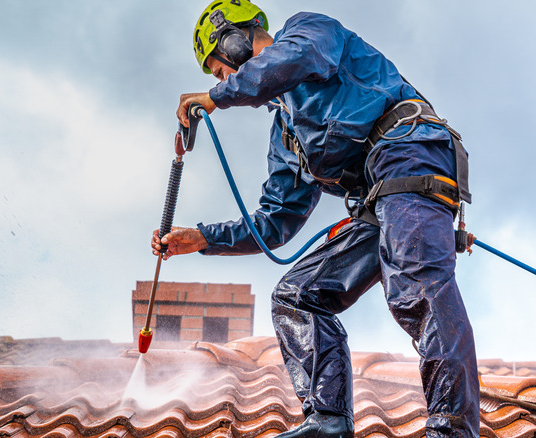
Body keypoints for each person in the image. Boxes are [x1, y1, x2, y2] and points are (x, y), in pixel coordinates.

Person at [151, 1, 480, 437]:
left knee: (415, 285)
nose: (223, 80)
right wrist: (202, 238)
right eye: (216, 79)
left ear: (235, 39)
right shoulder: (287, 134)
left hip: (409, 154)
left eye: (219, 69)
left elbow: (293, 60)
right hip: (375, 200)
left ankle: (452, 428)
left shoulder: (308, 32)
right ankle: (327, 421)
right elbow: (275, 222)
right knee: (296, 295)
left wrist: (217, 97)